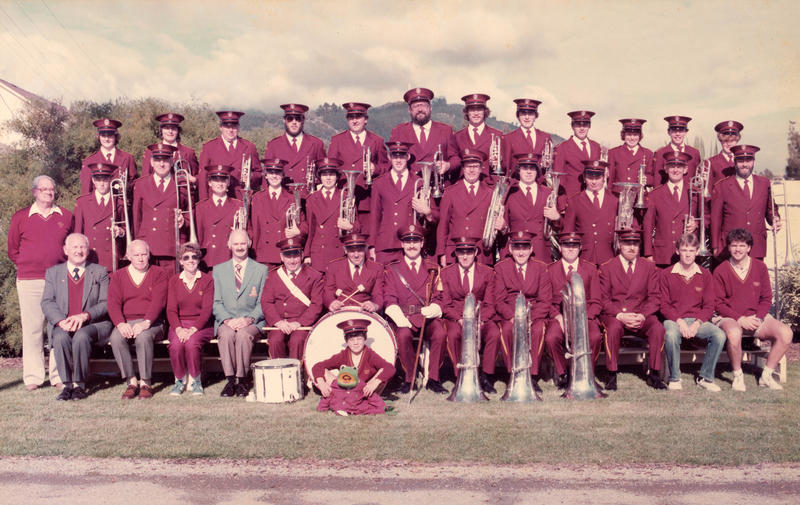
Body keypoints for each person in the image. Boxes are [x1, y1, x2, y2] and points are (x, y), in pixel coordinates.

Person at [7, 175, 72, 390]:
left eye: (52, 189)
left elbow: (72, 247)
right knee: (33, 329)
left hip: (58, 280)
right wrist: (28, 264)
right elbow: (13, 250)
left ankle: (58, 376)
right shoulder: (21, 217)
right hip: (29, 281)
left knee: (58, 328)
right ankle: (34, 377)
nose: (49, 192)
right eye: (44, 189)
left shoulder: (66, 216)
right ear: (35, 192)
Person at [713, 228, 792, 391]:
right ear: (728, 247)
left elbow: (766, 298)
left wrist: (759, 317)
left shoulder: (760, 267)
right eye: (734, 245)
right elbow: (718, 303)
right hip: (729, 317)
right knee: (734, 333)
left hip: (757, 317)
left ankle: (766, 375)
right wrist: (740, 319)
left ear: (749, 247)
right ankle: (738, 376)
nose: (738, 249)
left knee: (786, 333)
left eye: (742, 245)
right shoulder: (721, 270)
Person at [41, 233, 112, 400]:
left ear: (87, 250)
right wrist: (60, 321)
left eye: (82, 247)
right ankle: (66, 385)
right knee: (59, 338)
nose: (79, 251)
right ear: (66, 250)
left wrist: (84, 316)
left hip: (93, 324)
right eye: (75, 247)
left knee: (81, 336)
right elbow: (47, 302)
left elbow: (105, 303)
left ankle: (79, 385)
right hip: (63, 323)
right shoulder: (53, 273)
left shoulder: (99, 272)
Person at [597, 229, 666, 390]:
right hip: (616, 314)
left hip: (640, 314)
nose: (631, 247)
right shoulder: (607, 267)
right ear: (619, 244)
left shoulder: (648, 267)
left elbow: (655, 297)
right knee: (612, 329)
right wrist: (620, 315)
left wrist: (642, 315)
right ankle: (611, 374)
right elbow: (603, 299)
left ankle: (654, 374)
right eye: (627, 243)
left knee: (658, 329)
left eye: (635, 243)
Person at [383, 225, 447, 394]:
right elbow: (389, 298)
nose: (412, 245)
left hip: (426, 316)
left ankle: (434, 378)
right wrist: (399, 317)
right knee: (403, 335)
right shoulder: (392, 269)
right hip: (403, 316)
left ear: (422, 243)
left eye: (415, 241)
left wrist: (434, 308)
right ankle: (409, 378)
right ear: (402, 245)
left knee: (440, 333)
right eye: (407, 241)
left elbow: (439, 297)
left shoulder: (433, 268)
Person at [430, 236, 499, 393]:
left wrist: (480, 321)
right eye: (461, 253)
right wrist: (460, 320)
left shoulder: (487, 272)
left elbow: (490, 304)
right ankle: (459, 375)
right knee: (453, 334)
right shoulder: (446, 273)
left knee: (494, 333)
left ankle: (486, 377)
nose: (465, 256)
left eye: (469, 252)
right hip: (456, 318)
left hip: (480, 317)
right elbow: (446, 304)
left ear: (475, 252)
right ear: (456, 254)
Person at [487, 230, 551, 391]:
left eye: (524, 248)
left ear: (531, 249)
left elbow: (545, 300)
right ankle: (512, 372)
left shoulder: (541, 268)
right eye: (517, 248)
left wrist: (530, 318)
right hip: (510, 315)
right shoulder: (501, 268)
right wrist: (513, 317)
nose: (521, 252)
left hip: (533, 315)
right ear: (510, 249)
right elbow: (499, 300)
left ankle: (533, 375)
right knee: (507, 330)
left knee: (538, 330)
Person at [661, 233, 726, 392]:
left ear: (697, 251)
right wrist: (680, 321)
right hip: (675, 320)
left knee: (719, 335)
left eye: (691, 250)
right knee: (671, 334)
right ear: (677, 251)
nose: (688, 254)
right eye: (684, 250)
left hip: (698, 320)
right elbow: (664, 305)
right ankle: (675, 378)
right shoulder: (666, 274)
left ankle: (706, 377)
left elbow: (709, 306)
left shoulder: (705, 275)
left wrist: (697, 323)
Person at [106, 240, 169, 399]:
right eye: (136, 255)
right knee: (115, 337)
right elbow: (113, 302)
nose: (141, 258)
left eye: (144, 254)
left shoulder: (159, 273)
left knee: (143, 337)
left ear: (149, 255)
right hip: (127, 321)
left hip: (153, 322)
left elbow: (158, 301)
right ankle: (131, 381)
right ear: (128, 256)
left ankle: (145, 382)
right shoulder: (118, 276)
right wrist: (120, 324)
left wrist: (146, 322)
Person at [543, 232, 603, 389]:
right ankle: (563, 374)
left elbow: (596, 301)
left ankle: (588, 372)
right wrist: (557, 316)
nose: (570, 249)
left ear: (580, 248)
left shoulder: (590, 269)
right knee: (550, 338)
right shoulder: (549, 270)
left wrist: (582, 318)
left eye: (574, 246)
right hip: (560, 317)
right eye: (566, 245)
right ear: (560, 248)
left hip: (585, 316)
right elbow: (546, 301)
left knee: (595, 337)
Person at [212, 229, 268, 397]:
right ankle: (230, 380)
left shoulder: (261, 270)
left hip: (251, 321)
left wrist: (249, 319)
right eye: (235, 243)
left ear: (249, 244)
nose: (239, 247)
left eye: (243, 243)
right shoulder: (218, 270)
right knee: (227, 335)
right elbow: (216, 302)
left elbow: (263, 302)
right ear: (229, 245)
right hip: (227, 320)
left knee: (243, 335)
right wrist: (228, 320)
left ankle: (242, 379)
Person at [368, 141, 436, 265]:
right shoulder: (379, 183)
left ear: (408, 157)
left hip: (411, 243)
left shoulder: (419, 182)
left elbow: (436, 215)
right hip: (385, 243)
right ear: (389, 157)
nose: (398, 160)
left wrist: (427, 212)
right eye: (395, 156)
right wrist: (372, 245)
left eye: (402, 156)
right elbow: (374, 217)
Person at [312, 318, 396, 416]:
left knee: (383, 370)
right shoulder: (343, 355)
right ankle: (341, 402)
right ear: (347, 341)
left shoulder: (370, 354)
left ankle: (347, 405)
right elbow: (317, 366)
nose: (355, 343)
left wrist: (374, 382)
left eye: (359, 339)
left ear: (365, 339)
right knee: (324, 372)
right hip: (345, 392)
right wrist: (321, 383)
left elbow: (390, 368)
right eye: (351, 340)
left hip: (364, 393)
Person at [710, 145, 779, 261]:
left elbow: (770, 209)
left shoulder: (764, 183)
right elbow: (715, 219)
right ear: (734, 162)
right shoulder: (722, 186)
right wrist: (715, 246)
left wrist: (775, 219)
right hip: (730, 247)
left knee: (756, 279)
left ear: (754, 162)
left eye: (748, 161)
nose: (745, 165)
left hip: (757, 245)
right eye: (741, 161)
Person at [327, 102, 390, 230]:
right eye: (351, 117)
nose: (355, 121)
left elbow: (387, 167)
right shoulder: (337, 140)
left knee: (365, 238)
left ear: (366, 119)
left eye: (358, 117)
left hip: (368, 199)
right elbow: (331, 169)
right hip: (343, 200)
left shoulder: (377, 140)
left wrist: (375, 169)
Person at [261, 236, 324, 360]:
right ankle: (279, 373)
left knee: (298, 340)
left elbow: (316, 305)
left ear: (302, 255)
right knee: (275, 340)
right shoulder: (273, 276)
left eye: (295, 256)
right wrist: (278, 321)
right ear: (282, 257)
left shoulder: (314, 276)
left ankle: (296, 373)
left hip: (301, 323)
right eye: (288, 256)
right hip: (280, 322)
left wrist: (299, 322)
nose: (292, 261)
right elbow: (266, 302)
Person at [166, 243, 215, 396]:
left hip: (202, 325)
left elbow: (207, 310)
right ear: (181, 261)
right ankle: (179, 380)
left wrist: (193, 329)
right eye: (186, 257)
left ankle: (196, 381)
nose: (190, 260)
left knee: (192, 343)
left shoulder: (207, 280)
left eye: (194, 256)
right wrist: (179, 329)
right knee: (176, 345)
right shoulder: (174, 281)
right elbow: (171, 310)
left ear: (199, 259)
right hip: (179, 324)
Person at [435, 150, 499, 266]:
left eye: (475, 166)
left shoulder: (490, 193)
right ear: (463, 168)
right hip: (455, 252)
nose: (471, 170)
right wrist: (442, 253)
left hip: (480, 253)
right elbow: (443, 225)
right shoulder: (450, 192)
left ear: (481, 169)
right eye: (468, 166)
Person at [501, 153, 562, 263]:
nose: (529, 172)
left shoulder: (548, 192)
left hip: (541, 250)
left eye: (532, 169)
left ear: (537, 171)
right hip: (517, 250)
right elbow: (503, 226)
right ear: (519, 171)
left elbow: (558, 227)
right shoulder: (509, 192)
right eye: (525, 168)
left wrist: (557, 218)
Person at [389, 87, 460, 182]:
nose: (420, 109)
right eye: (415, 106)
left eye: (423, 105)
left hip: (438, 187)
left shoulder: (445, 130)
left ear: (430, 108)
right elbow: (391, 161)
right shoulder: (398, 132)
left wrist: (447, 165)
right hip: (410, 188)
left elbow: (456, 158)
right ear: (409, 110)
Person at [132, 143, 183, 271]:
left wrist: (184, 220)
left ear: (172, 162)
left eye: (165, 160)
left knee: (171, 288)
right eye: (157, 160)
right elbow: (136, 218)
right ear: (151, 162)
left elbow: (190, 212)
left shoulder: (181, 183)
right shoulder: (141, 184)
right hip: (148, 246)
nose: (161, 164)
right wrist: (137, 245)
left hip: (171, 245)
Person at [642, 151, 698, 267]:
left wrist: (696, 224)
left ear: (685, 169)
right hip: (663, 253)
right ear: (666, 169)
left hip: (688, 252)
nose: (675, 170)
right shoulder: (654, 195)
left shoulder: (695, 192)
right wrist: (648, 253)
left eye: (679, 167)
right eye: (672, 166)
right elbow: (648, 226)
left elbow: (706, 218)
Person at [249, 158, 306, 267]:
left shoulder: (292, 198)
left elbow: (304, 224)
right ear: (265, 175)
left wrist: (298, 231)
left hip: (285, 253)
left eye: (278, 173)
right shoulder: (256, 198)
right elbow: (252, 225)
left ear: (283, 175)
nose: (274, 176)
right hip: (262, 254)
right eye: (271, 172)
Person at [304, 157, 356, 269]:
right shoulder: (312, 199)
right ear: (320, 177)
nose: (328, 178)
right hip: (318, 252)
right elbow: (310, 229)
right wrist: (307, 254)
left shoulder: (346, 196)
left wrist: (350, 227)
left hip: (339, 252)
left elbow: (358, 225)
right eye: (324, 174)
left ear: (337, 177)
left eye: (331, 174)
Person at [562, 160, 618, 265]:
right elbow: (568, 232)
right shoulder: (574, 201)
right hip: (584, 258)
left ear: (604, 177)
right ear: (584, 178)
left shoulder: (615, 200)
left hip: (609, 257)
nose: (594, 182)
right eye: (590, 178)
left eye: (598, 178)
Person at [197, 111, 261, 201]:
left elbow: (259, 173)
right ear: (220, 127)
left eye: (234, 126)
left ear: (238, 127)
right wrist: (204, 201)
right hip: (216, 199)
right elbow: (203, 177)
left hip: (241, 198)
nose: (230, 130)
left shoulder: (249, 147)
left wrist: (251, 177)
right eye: (227, 126)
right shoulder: (209, 147)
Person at [73, 162, 125, 273]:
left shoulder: (119, 201)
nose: (101, 184)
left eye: (105, 180)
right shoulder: (82, 202)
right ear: (93, 180)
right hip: (90, 257)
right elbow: (78, 233)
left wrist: (120, 231)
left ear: (111, 179)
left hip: (111, 257)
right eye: (98, 179)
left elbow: (126, 228)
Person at [263, 103, 327, 191]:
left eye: (298, 118)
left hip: (309, 198)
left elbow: (324, 172)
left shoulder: (316, 143)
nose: (294, 122)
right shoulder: (273, 145)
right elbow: (266, 177)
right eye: (290, 118)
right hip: (283, 198)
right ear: (284, 120)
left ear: (303, 120)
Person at [194, 164, 243, 269]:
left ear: (228, 182)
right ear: (209, 183)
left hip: (230, 258)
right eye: (216, 180)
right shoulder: (200, 207)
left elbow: (249, 231)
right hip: (208, 259)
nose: (220, 184)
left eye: (223, 180)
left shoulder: (238, 205)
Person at [323, 233, 383, 312]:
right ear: (345, 250)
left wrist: (374, 305)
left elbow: (378, 294)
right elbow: (328, 291)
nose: (356, 255)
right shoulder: (334, 267)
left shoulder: (376, 268)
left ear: (365, 249)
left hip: (364, 312)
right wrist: (331, 302)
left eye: (360, 250)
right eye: (351, 251)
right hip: (340, 311)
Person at [80, 118, 137, 194]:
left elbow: (135, 186)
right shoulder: (89, 161)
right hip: (99, 205)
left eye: (110, 135)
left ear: (115, 137)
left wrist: (126, 187)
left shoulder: (128, 158)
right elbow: (86, 192)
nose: (106, 139)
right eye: (103, 135)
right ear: (98, 137)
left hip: (122, 204)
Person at [453, 93, 504, 178]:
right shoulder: (457, 136)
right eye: (472, 110)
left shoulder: (497, 135)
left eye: (479, 109)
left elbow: (505, 164)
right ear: (467, 112)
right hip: (465, 184)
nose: (476, 113)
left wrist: (499, 160)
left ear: (485, 112)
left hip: (488, 183)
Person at [553, 110, 602, 197]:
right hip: (571, 198)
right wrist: (562, 203)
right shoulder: (562, 148)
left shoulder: (596, 147)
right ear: (572, 126)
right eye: (578, 125)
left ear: (589, 126)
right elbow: (558, 179)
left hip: (592, 197)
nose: (582, 128)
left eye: (585, 125)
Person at [501, 98, 554, 175]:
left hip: (540, 184)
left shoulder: (545, 137)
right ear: (518, 116)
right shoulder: (508, 138)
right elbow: (506, 166)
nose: (527, 117)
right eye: (523, 113)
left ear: (536, 116)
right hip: (517, 183)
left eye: (530, 114)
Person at [142, 113, 199, 179]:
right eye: (166, 128)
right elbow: (144, 178)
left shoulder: (189, 153)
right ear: (161, 130)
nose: (170, 131)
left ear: (178, 131)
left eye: (173, 128)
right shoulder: (150, 152)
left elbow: (197, 178)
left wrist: (193, 179)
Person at [607, 119, 655, 195]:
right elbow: (610, 180)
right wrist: (609, 197)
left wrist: (646, 179)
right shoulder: (613, 152)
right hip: (618, 196)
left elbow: (652, 177)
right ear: (623, 135)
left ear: (640, 136)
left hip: (638, 196)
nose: (632, 138)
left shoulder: (648, 153)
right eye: (629, 134)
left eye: (635, 135)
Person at [652, 116, 701, 185]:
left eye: (681, 131)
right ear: (669, 132)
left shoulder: (694, 153)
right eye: (674, 131)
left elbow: (697, 177)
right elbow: (657, 181)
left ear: (686, 132)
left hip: (688, 194)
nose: (677, 134)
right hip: (667, 195)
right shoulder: (660, 153)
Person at [708, 120, 743, 189]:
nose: (729, 144)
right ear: (720, 141)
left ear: (737, 141)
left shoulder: (743, 160)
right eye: (726, 141)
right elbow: (708, 188)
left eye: (732, 141)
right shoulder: (711, 162)